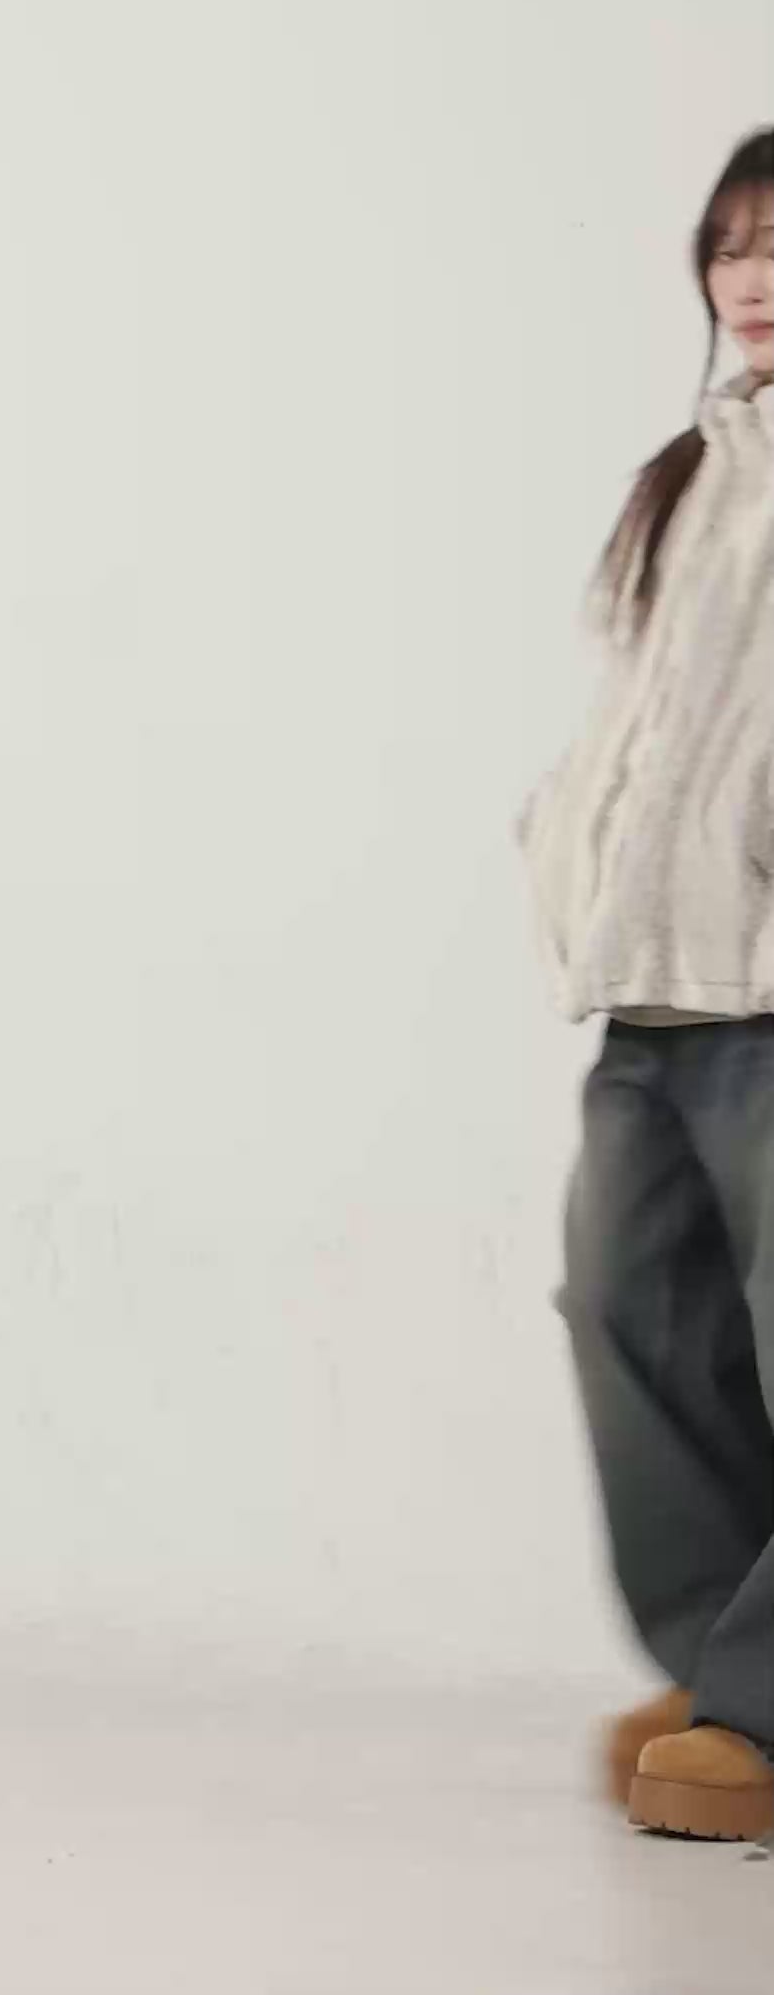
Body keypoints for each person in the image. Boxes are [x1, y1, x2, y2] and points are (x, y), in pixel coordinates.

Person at [519, 124, 774, 1843]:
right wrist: (562, 848)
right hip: (654, 995)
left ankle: (761, 1711)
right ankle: (725, 1672)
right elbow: (634, 716)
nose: (753, 277)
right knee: (633, 1324)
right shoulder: (688, 474)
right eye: (732, 245)